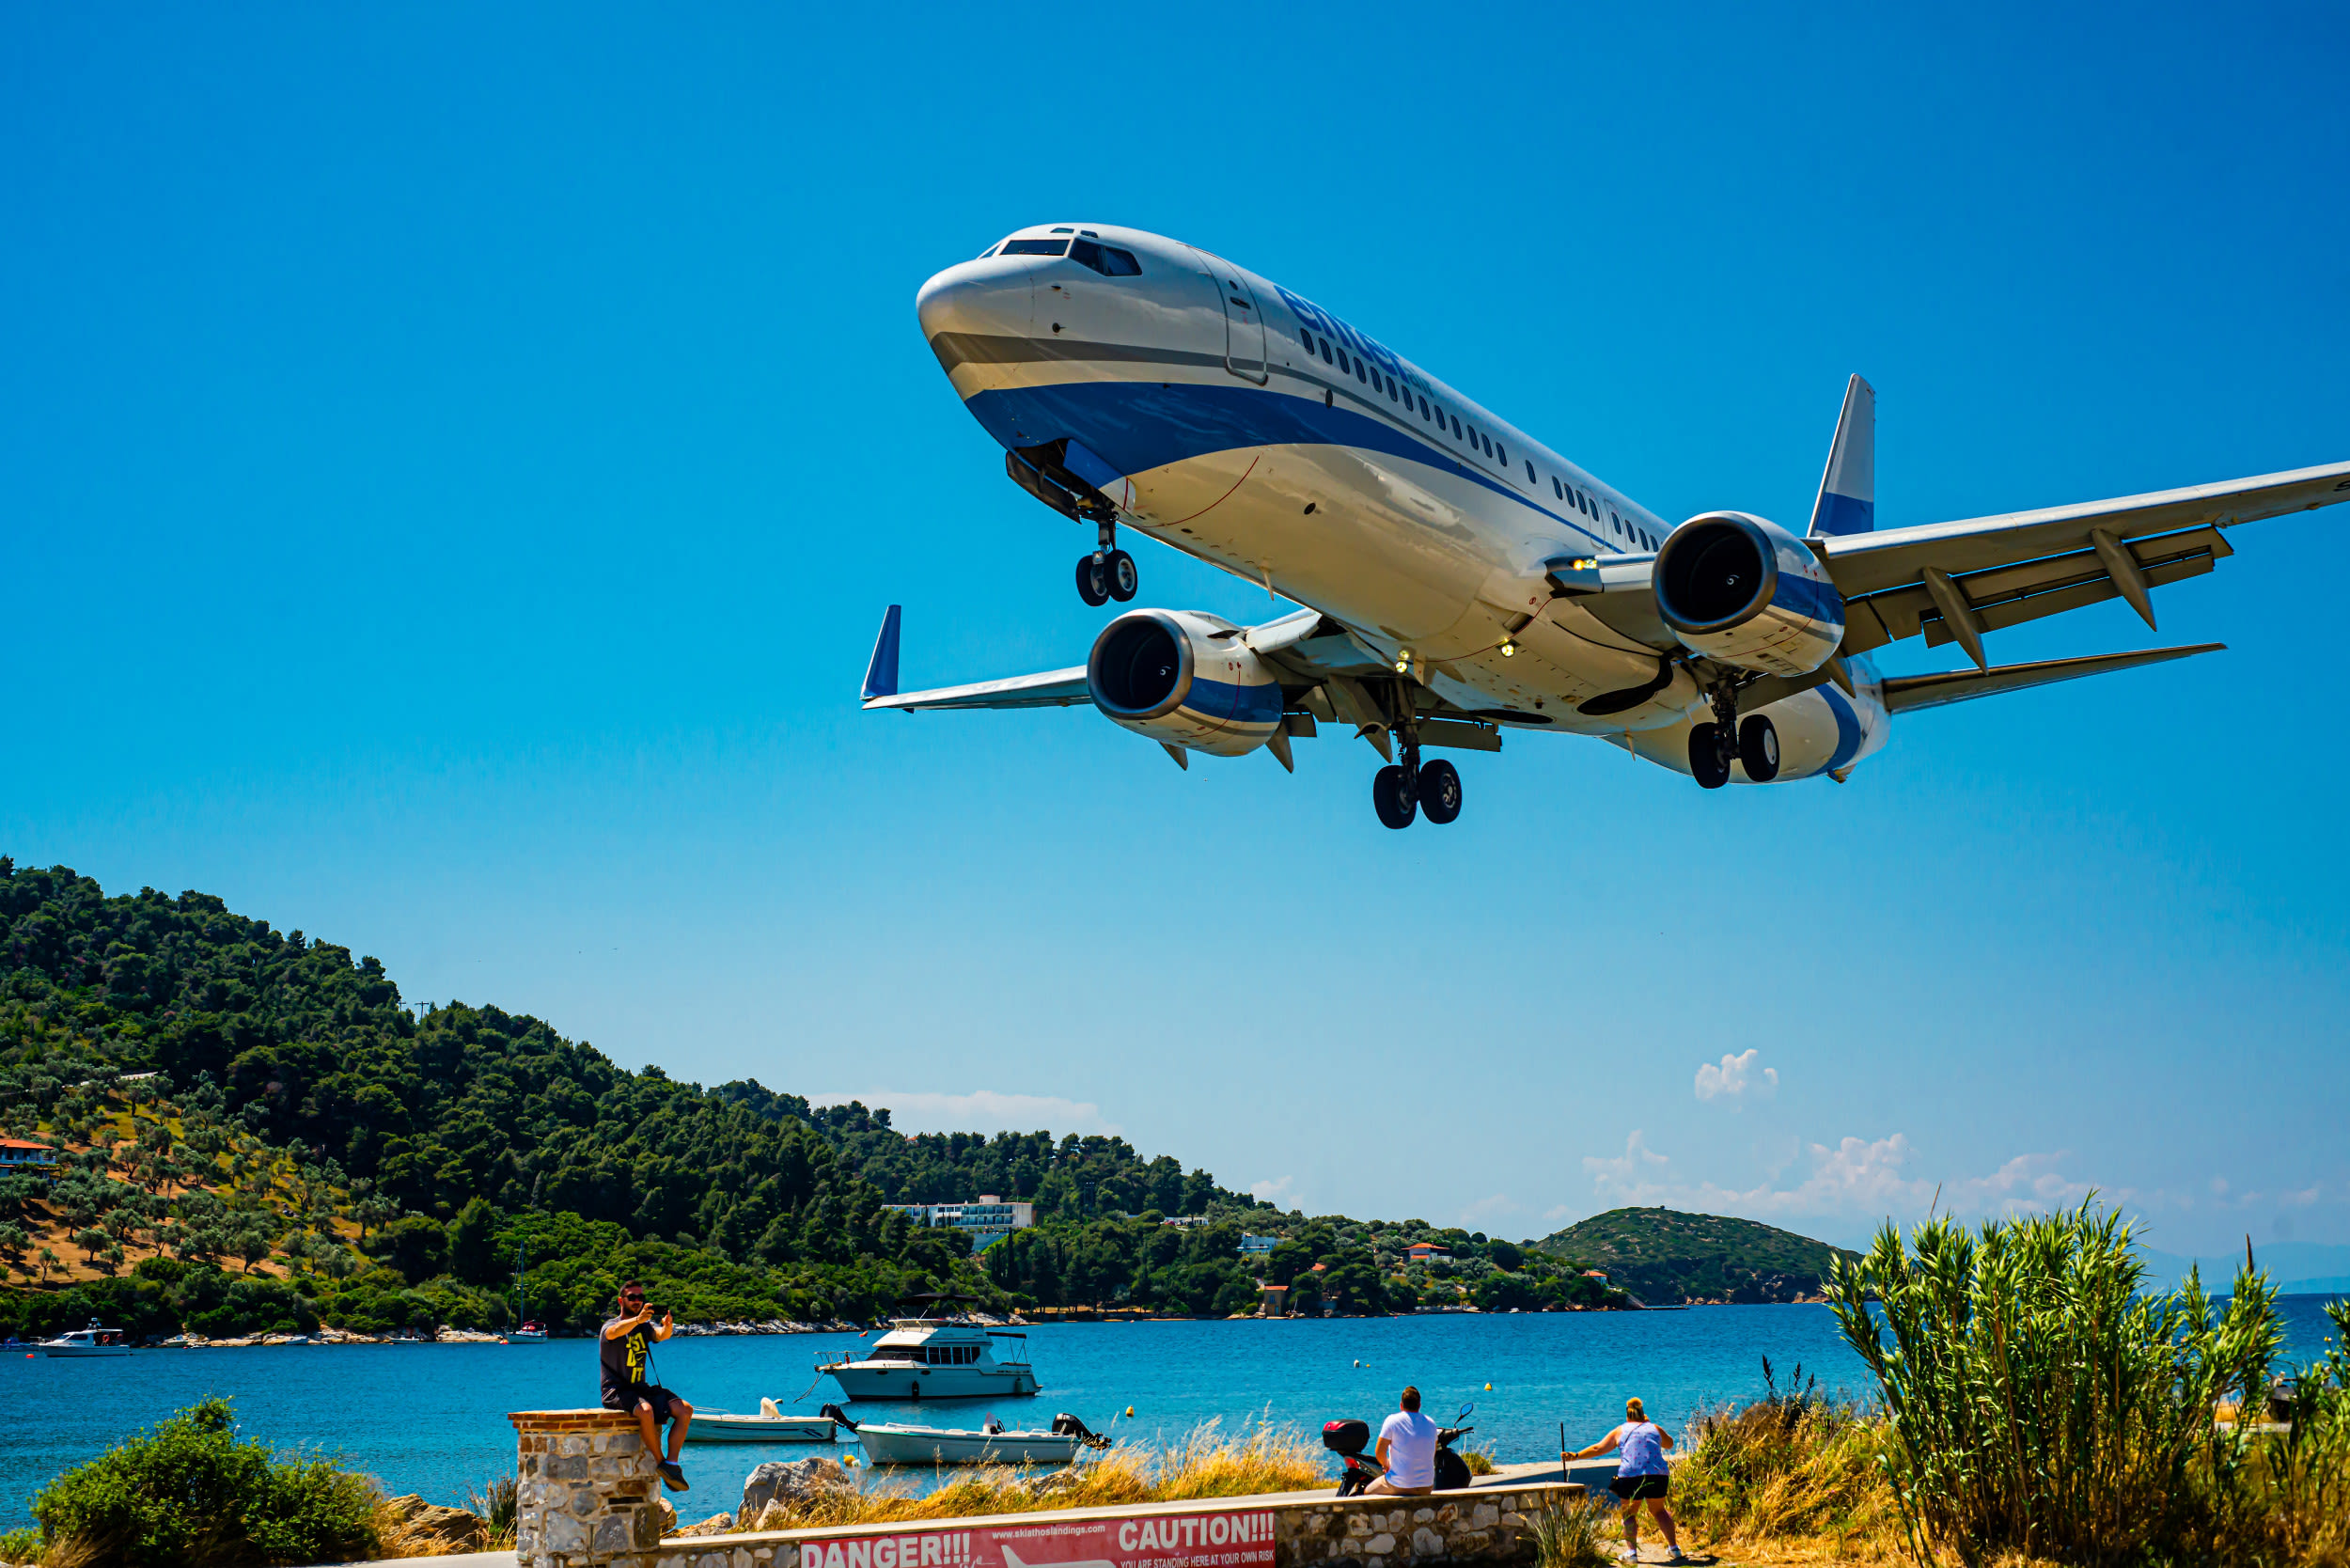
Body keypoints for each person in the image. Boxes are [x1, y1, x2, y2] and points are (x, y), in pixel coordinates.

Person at [601, 1281, 694, 1491]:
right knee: (646, 1411)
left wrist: (667, 1325)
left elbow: (661, 1335)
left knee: (685, 1409)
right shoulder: (610, 1326)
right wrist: (637, 1319)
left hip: (640, 1387)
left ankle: (672, 1463)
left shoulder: (644, 1326)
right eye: (632, 1297)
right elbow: (614, 1332)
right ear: (620, 1301)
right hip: (616, 1389)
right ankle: (661, 1463)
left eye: (640, 1298)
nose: (637, 1301)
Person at [1569, 1397, 1682, 1562]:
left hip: (1631, 1476)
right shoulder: (1654, 1428)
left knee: (1629, 1514)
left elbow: (1598, 1448)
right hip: (1658, 1474)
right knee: (1659, 1511)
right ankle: (1674, 1548)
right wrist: (1650, 1424)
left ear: (1627, 1416)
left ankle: (1632, 1554)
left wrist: (1576, 1456)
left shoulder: (1620, 1430)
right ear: (1643, 1414)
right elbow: (1670, 1444)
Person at [1368, 1385, 1438, 1497]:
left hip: (1401, 1485)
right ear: (1419, 1405)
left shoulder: (1392, 1421)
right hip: (1427, 1486)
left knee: (1368, 1492)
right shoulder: (1431, 1423)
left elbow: (1379, 1452)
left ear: (1401, 1405)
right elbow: (1433, 1452)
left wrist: (1386, 1464)